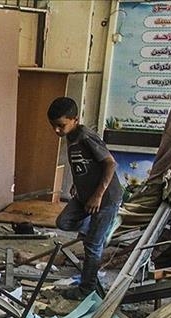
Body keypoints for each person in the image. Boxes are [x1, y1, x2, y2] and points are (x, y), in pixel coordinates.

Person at [47, 97, 123, 300]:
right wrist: (77, 183)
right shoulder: (70, 136)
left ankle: (86, 289)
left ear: (75, 119)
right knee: (63, 222)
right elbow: (82, 164)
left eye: (60, 125)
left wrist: (98, 195)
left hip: (105, 197)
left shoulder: (86, 137)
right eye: (53, 125)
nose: (56, 130)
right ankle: (98, 229)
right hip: (84, 195)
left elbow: (110, 164)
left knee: (92, 247)